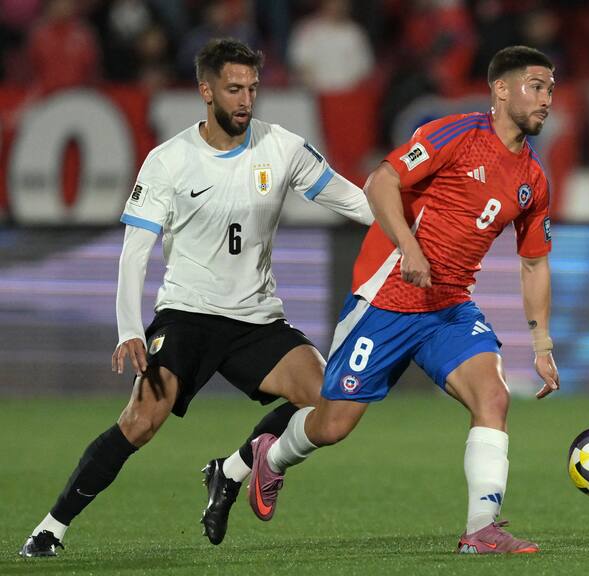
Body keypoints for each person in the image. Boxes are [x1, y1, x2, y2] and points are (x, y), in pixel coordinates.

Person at [19, 37, 373, 557]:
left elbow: (358, 203)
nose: (245, 100)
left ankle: (231, 470)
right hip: (188, 314)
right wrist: (129, 329)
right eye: (234, 89)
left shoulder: (282, 147)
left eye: (252, 88)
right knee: (140, 422)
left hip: (256, 318)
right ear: (206, 91)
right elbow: (134, 251)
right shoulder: (169, 160)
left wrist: (411, 222)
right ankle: (51, 527)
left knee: (328, 398)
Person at [247, 45, 560, 555]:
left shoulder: (533, 179)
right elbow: (381, 181)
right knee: (332, 425)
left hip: (449, 309)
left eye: (550, 88)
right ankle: (272, 455)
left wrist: (541, 344)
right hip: (387, 299)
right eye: (536, 86)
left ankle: (481, 529)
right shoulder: (456, 134)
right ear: (501, 89)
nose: (546, 99)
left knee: (494, 397)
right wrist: (409, 248)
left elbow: (534, 263)